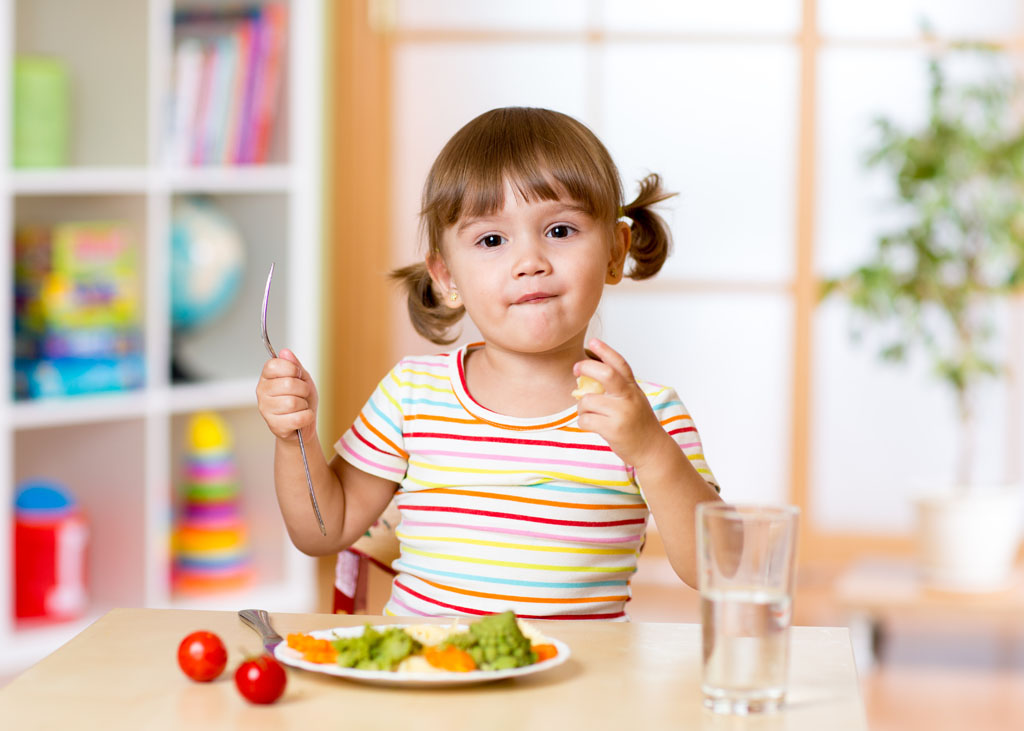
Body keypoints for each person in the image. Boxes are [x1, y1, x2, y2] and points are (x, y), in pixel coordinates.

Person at [257, 107, 722, 620]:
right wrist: (294, 436)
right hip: (430, 679)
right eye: (492, 240)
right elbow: (323, 530)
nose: (530, 261)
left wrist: (652, 451)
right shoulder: (413, 394)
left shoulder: (645, 412)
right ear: (446, 276)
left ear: (615, 252)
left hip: (578, 693)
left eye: (561, 230)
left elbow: (719, 570)